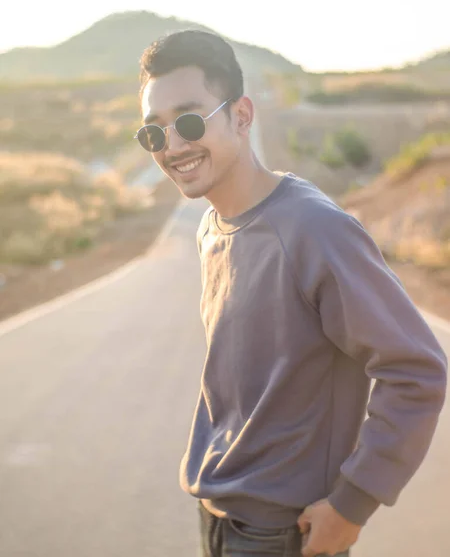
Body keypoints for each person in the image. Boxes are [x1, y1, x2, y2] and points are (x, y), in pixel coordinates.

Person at [136, 30, 447, 557]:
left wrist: (353, 504)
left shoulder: (312, 229)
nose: (173, 145)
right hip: (217, 517)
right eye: (153, 133)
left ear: (241, 115)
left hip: (280, 536)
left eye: (189, 121)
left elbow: (415, 368)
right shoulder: (212, 227)